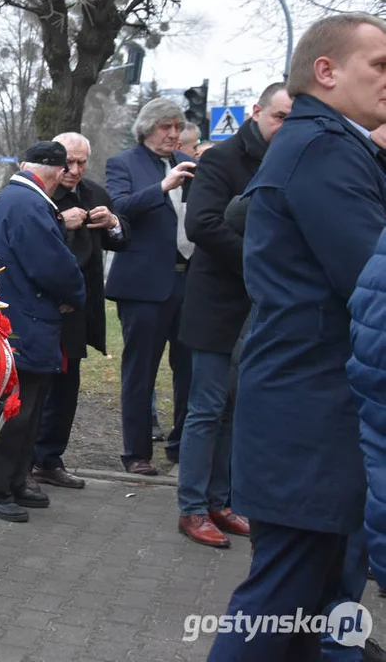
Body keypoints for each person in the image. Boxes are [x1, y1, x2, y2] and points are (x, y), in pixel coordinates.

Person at [209, 13, 386, 660]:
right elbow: (373, 277)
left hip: (315, 409)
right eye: (380, 66)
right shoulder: (321, 149)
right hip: (309, 417)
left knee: (321, 607)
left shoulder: (333, 146)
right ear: (326, 70)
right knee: (278, 604)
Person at [175, 82, 291, 549]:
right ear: (258, 112)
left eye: (292, 119)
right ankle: (192, 508)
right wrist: (259, 262)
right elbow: (201, 223)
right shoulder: (222, 160)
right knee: (205, 409)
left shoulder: (285, 160)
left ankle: (221, 501)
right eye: (279, 116)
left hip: (259, 305)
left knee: (233, 410)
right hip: (217, 304)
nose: (285, 126)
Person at [0, 141, 86, 522]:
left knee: (31, 407)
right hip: (27, 320)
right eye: (65, 169)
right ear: (55, 171)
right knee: (18, 411)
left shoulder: (19, 199)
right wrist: (76, 292)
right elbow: (53, 265)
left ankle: (17, 479)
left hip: (28, 317)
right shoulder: (28, 204)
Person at [105, 98, 197, 475]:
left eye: (177, 127)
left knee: (189, 369)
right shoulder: (123, 163)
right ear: (146, 129)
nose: (173, 134)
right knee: (141, 370)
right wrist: (162, 186)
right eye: (165, 127)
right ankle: (137, 453)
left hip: (188, 280)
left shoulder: (184, 163)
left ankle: (181, 446)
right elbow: (119, 207)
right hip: (144, 286)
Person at [32, 132, 128, 489]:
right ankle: (22, 459)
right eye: (67, 162)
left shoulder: (94, 194)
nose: (73, 170)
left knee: (66, 388)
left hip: (79, 306)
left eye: (80, 163)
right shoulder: (38, 191)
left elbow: (121, 239)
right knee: (34, 387)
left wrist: (114, 223)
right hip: (42, 304)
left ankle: (49, 458)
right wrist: (60, 222)